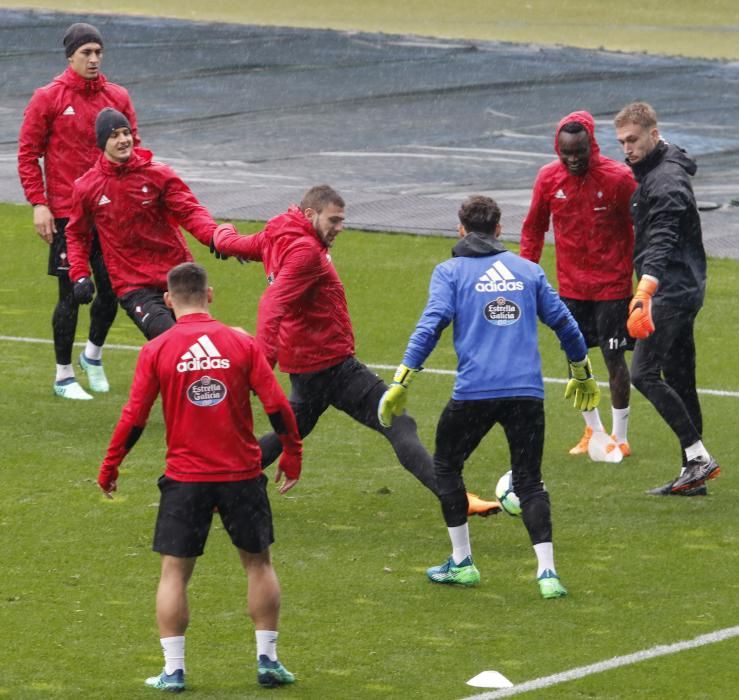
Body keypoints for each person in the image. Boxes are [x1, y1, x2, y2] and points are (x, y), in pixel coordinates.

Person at [211, 184, 499, 516]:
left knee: (289, 430)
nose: (340, 228)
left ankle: (220, 489)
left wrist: (222, 236)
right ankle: (456, 498)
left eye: (342, 220)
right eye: (333, 221)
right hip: (329, 365)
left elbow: (243, 244)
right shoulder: (306, 251)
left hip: (308, 365)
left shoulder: (280, 233)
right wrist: (260, 366)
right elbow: (272, 304)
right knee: (397, 422)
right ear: (310, 214)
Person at [378, 195, 600, 598]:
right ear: (499, 230)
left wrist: (401, 380)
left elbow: (431, 326)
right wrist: (581, 372)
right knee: (530, 481)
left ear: (461, 229)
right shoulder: (528, 271)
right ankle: (547, 575)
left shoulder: (450, 272)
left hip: (474, 393)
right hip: (526, 394)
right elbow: (565, 323)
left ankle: (462, 563)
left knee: (446, 466)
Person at [97, 262, 301, 691]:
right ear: (209, 294)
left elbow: (134, 417)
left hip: (185, 478)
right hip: (241, 474)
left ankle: (173, 671)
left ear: (168, 301)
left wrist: (111, 464)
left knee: (174, 572)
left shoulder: (157, 349)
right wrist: (292, 453)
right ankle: (268, 661)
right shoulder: (241, 344)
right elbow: (278, 405)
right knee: (258, 564)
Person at [17, 22, 139, 400]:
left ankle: (93, 355)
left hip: (112, 213)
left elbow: (133, 151)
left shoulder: (117, 96)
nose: (94, 59)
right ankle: (63, 375)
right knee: (72, 294)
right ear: (70, 56)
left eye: (98, 52)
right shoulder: (48, 98)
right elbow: (27, 155)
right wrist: (39, 203)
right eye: (86, 52)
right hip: (70, 216)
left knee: (116, 291)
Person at [614, 102, 721, 496]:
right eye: (622, 141)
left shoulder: (666, 182)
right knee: (680, 379)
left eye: (634, 139)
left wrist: (646, 289)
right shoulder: (658, 168)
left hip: (671, 292)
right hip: (684, 286)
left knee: (643, 374)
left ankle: (697, 457)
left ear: (653, 135)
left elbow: (662, 239)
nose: (627, 148)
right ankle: (692, 476)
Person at [520, 110, 636, 459]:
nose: (572, 159)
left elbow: (642, 225)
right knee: (578, 360)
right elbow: (533, 228)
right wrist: (528, 274)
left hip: (613, 286)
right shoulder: (548, 179)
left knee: (615, 359)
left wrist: (644, 278)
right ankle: (593, 431)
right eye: (565, 152)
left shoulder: (618, 179)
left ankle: (620, 436)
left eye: (578, 152)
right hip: (571, 288)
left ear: (592, 145)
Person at [65, 107, 236, 341]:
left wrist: (214, 236)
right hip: (135, 286)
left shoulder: (158, 174)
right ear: (102, 143)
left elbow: (189, 211)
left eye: (126, 133)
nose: (123, 140)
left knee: (198, 344)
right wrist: (80, 275)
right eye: (114, 136)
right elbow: (77, 234)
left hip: (177, 276)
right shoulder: (88, 187)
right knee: (172, 340)